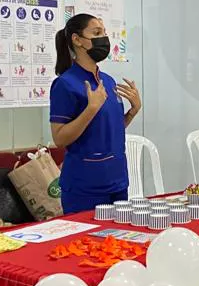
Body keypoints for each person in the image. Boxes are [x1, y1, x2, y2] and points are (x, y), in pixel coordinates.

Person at [50, 13, 141, 213]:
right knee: (87, 244)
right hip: (85, 186)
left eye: (104, 32)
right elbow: (59, 138)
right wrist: (90, 109)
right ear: (77, 40)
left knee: (119, 241)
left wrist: (132, 113)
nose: (104, 38)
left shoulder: (107, 81)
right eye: (97, 32)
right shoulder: (65, 84)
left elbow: (107, 128)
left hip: (117, 181)